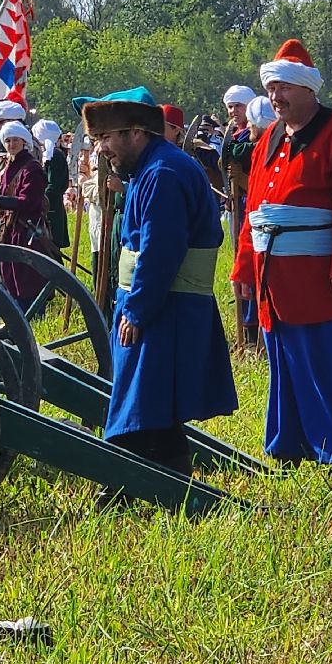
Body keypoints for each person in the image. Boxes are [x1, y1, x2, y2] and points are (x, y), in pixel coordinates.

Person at [230, 39, 332, 471]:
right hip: (272, 273)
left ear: (308, 89)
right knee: (284, 362)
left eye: (284, 88)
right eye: (271, 89)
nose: (275, 96)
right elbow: (254, 208)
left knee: (323, 363)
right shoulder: (268, 139)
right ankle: (289, 444)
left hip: (317, 274)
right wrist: (244, 266)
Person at [84, 86, 236, 489]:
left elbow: (160, 250)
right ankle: (175, 484)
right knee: (156, 406)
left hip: (165, 306)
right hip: (159, 302)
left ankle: (120, 489)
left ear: (136, 132)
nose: (101, 149)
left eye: (106, 138)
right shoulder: (150, 168)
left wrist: (137, 310)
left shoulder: (162, 173)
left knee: (139, 403)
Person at [0, 121, 50, 313]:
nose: (11, 144)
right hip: (9, 230)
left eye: (15, 140)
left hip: (26, 231)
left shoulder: (32, 168)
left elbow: (28, 202)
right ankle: (15, 318)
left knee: (26, 279)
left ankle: (31, 319)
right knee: (10, 277)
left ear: (24, 142)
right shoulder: (8, 167)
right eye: (8, 140)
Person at [33, 119, 70, 257]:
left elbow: (53, 186)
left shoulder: (55, 156)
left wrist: (38, 200)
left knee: (51, 252)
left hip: (51, 209)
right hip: (46, 208)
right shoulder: (48, 155)